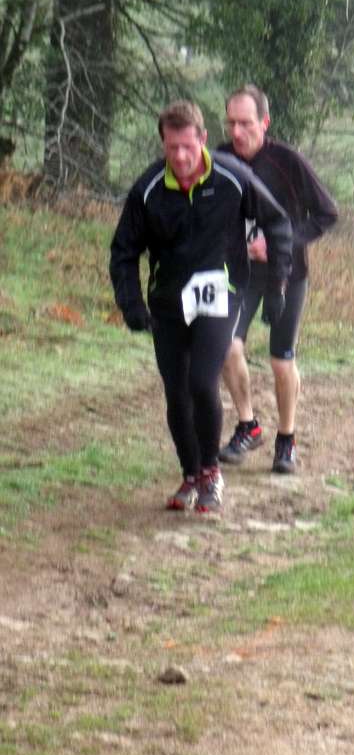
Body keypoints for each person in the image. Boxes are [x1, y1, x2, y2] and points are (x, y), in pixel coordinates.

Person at [109, 100, 292, 510]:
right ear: (163, 144)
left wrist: (277, 284)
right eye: (172, 148)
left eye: (188, 147)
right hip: (168, 300)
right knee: (176, 393)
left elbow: (278, 222)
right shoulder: (148, 189)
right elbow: (123, 251)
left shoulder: (232, 177)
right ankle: (190, 475)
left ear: (204, 140)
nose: (180, 157)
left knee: (202, 382)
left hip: (220, 292)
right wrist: (130, 303)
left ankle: (211, 472)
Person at [218, 85, 338, 474]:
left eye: (246, 123)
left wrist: (281, 242)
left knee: (280, 360)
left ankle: (286, 439)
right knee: (225, 345)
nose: (237, 132)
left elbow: (327, 214)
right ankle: (248, 425)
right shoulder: (219, 159)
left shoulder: (287, 161)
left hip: (287, 274)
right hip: (239, 274)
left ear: (265, 123)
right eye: (231, 123)